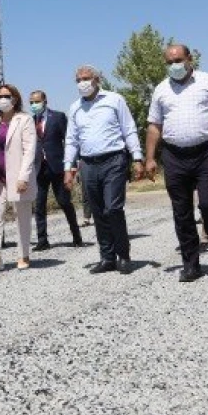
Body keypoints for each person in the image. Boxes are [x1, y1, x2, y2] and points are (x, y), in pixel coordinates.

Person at [144, 44, 208, 282]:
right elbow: (154, 126)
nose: (175, 66)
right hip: (174, 156)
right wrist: (150, 158)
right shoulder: (161, 90)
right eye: (169, 62)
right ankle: (191, 264)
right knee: (181, 212)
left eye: (179, 60)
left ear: (190, 59)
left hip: (207, 153)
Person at [63, 65, 145, 274]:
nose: (82, 83)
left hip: (114, 160)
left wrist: (137, 157)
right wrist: (68, 168)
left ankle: (123, 255)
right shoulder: (75, 108)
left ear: (97, 79)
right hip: (87, 164)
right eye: (78, 80)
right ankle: (107, 257)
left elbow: (129, 128)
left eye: (86, 78)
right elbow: (72, 139)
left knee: (113, 209)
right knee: (98, 211)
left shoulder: (114, 100)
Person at [0, 84, 38, 271]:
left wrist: (24, 177)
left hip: (18, 177)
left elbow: (29, 151)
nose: (2, 99)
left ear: (15, 98)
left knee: (22, 216)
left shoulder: (24, 120)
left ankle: (23, 255)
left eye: (6, 96)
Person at [28, 89, 83, 250]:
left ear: (45, 101)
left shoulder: (58, 117)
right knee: (39, 205)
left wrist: (72, 165)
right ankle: (42, 240)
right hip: (39, 168)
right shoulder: (30, 121)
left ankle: (76, 235)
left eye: (36, 102)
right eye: (31, 102)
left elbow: (70, 140)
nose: (34, 105)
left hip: (58, 167)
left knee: (64, 202)